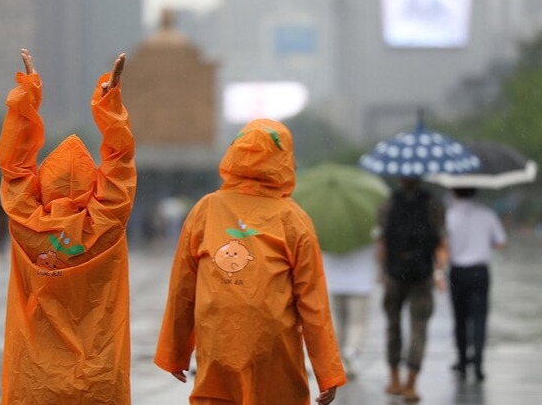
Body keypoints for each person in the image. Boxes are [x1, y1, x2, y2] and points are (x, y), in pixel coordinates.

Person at [155, 119, 347, 405]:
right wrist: (327, 372)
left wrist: (175, 352)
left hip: (218, 346)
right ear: (283, 161)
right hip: (273, 352)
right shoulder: (293, 219)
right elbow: (313, 303)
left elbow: (183, 287)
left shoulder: (206, 210)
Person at [0, 48, 136, 404]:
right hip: (99, 381)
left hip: (33, 382)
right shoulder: (107, 222)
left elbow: (14, 167)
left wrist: (27, 95)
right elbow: (120, 163)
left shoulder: (25, 221)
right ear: (94, 187)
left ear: (42, 185)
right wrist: (109, 103)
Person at [376, 177, 447, 403]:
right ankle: (411, 384)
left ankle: (394, 380)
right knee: (419, 329)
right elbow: (442, 242)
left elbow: (381, 242)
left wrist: (383, 272)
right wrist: (438, 272)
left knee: (392, 327)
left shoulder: (388, 203)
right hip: (422, 276)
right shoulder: (433, 203)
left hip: (395, 275)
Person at [446, 188, 506, 382]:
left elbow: (443, 246)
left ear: (454, 192)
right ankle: (479, 364)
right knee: (479, 318)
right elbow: (501, 243)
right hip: (480, 272)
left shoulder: (449, 216)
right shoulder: (487, 214)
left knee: (460, 318)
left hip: (458, 272)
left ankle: (462, 362)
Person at [323, 244, 376, 379]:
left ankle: (339, 360)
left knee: (338, 323)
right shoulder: (365, 230)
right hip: (360, 284)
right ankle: (350, 350)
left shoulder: (329, 231)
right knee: (357, 322)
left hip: (334, 283)